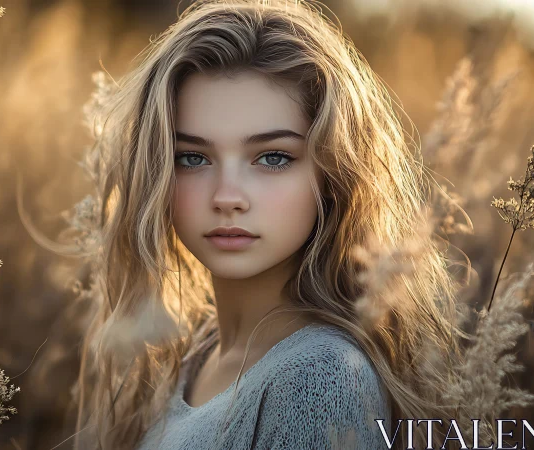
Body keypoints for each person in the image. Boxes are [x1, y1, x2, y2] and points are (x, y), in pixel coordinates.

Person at [72, 1, 463, 449]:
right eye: (192, 157)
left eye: (273, 157)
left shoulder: (319, 377)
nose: (227, 197)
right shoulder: (194, 356)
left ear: (334, 174)